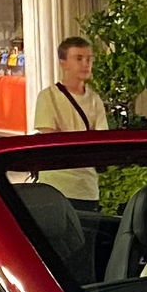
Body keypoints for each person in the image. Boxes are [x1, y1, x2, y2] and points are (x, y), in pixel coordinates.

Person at [28, 36, 107, 208]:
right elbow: (50, 139)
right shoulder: (49, 97)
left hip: (87, 187)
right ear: (63, 63)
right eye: (78, 58)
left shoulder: (94, 99)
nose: (86, 64)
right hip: (57, 187)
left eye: (88, 59)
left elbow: (100, 141)